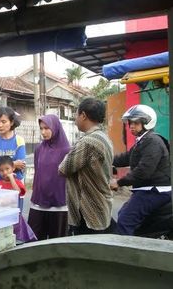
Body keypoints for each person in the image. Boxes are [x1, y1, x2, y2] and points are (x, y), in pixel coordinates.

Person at [111, 104, 171, 236]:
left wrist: (118, 182)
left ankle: (124, 253)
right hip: (147, 190)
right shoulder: (142, 141)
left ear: (146, 123)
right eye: (130, 122)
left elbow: (143, 171)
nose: (131, 125)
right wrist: (106, 159)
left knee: (125, 220)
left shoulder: (152, 141)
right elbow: (125, 158)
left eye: (136, 122)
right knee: (123, 213)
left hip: (154, 190)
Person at [59, 98, 113, 235]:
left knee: (85, 252)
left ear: (83, 115)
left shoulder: (88, 142)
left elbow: (63, 168)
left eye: (76, 115)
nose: (75, 119)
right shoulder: (103, 137)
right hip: (100, 206)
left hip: (89, 211)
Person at [28, 114, 70, 240]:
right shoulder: (39, 149)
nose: (43, 132)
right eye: (41, 128)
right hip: (39, 203)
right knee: (34, 242)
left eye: (47, 128)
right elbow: (38, 173)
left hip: (59, 205)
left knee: (56, 245)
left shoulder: (67, 150)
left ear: (55, 127)